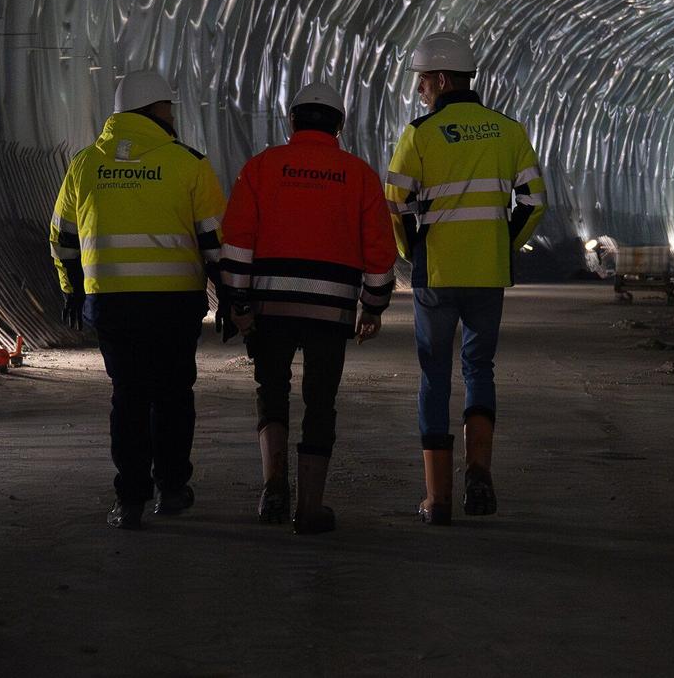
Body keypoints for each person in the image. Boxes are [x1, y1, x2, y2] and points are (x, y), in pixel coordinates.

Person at [217, 80, 396, 535]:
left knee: (271, 390)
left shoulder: (261, 168)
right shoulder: (358, 175)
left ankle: (273, 483)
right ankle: (310, 509)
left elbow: (237, 244)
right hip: (331, 312)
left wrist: (238, 302)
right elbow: (379, 250)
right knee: (320, 401)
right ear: (339, 124)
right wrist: (372, 307)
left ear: (292, 120)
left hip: (271, 307)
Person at [50, 69, 226, 529]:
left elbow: (63, 238)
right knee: (172, 394)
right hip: (173, 304)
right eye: (168, 107)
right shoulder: (189, 163)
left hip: (112, 303)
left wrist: (72, 289)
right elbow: (215, 241)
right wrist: (230, 296)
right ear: (155, 110)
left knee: (127, 395)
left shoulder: (85, 164)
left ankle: (128, 498)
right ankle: (170, 488)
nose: (172, 114)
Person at [384, 32, 547, 525]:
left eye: (421, 82)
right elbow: (535, 204)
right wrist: (504, 245)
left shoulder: (420, 133)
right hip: (487, 275)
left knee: (434, 375)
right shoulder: (509, 131)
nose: (418, 92)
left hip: (437, 274)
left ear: (440, 79)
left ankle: (437, 499)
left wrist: (409, 251)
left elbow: (395, 202)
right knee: (479, 369)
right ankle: (480, 472)